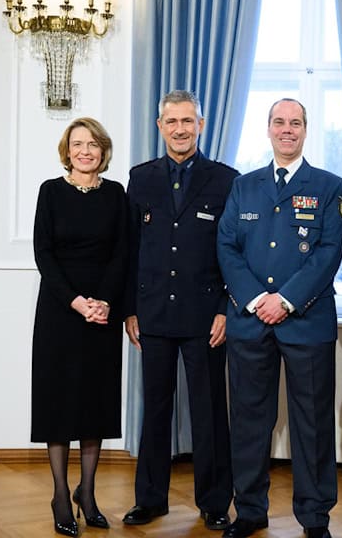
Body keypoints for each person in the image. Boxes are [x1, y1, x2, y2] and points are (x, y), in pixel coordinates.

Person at [216, 98, 342, 538]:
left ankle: (314, 518)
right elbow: (227, 248)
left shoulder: (329, 186)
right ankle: (250, 511)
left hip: (306, 322)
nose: (287, 129)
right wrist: (257, 299)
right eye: (279, 122)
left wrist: (286, 301)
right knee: (250, 423)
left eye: (295, 123)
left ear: (306, 130)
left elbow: (329, 253)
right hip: (250, 322)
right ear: (268, 129)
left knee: (312, 425)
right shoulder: (244, 186)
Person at [122, 90, 238, 531]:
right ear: (160, 127)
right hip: (152, 314)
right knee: (154, 409)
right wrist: (130, 309)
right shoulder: (141, 178)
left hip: (206, 316)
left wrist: (226, 308)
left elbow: (234, 251)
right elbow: (131, 249)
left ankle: (213, 502)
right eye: (171, 122)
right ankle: (150, 499)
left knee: (209, 412)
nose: (180, 129)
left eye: (188, 121)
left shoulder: (226, 180)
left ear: (201, 126)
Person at [31, 117, 127, 537]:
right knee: (59, 403)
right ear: (66, 150)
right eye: (77, 144)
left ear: (103, 150)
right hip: (59, 309)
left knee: (95, 403)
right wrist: (75, 302)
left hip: (102, 312)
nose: (85, 151)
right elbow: (43, 253)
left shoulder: (116, 194)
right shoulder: (50, 192)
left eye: (92, 144)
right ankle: (59, 493)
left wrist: (103, 302)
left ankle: (87, 492)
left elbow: (123, 253)